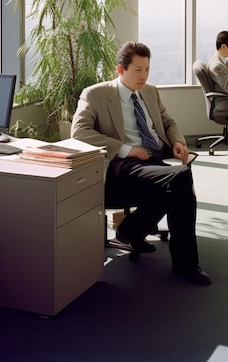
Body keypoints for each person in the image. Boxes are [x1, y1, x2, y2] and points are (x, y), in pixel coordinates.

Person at [71, 41, 211, 285]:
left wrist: (177, 141)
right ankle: (186, 264)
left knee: (177, 187)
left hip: (153, 158)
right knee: (181, 178)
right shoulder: (96, 94)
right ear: (120, 70)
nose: (144, 76)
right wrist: (126, 149)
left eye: (147, 69)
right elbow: (79, 132)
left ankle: (131, 231)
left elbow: (168, 122)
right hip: (122, 165)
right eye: (138, 70)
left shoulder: (150, 91)